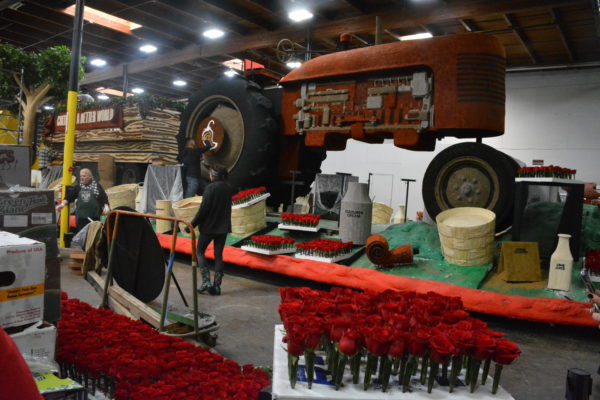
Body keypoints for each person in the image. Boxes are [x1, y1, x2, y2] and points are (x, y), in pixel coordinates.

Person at [186, 164, 232, 295]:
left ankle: (206, 282)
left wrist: (192, 224)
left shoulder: (210, 188)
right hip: (223, 228)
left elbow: (203, 210)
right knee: (218, 256)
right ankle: (217, 287)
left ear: (213, 175)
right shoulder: (228, 188)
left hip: (209, 227)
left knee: (199, 252)